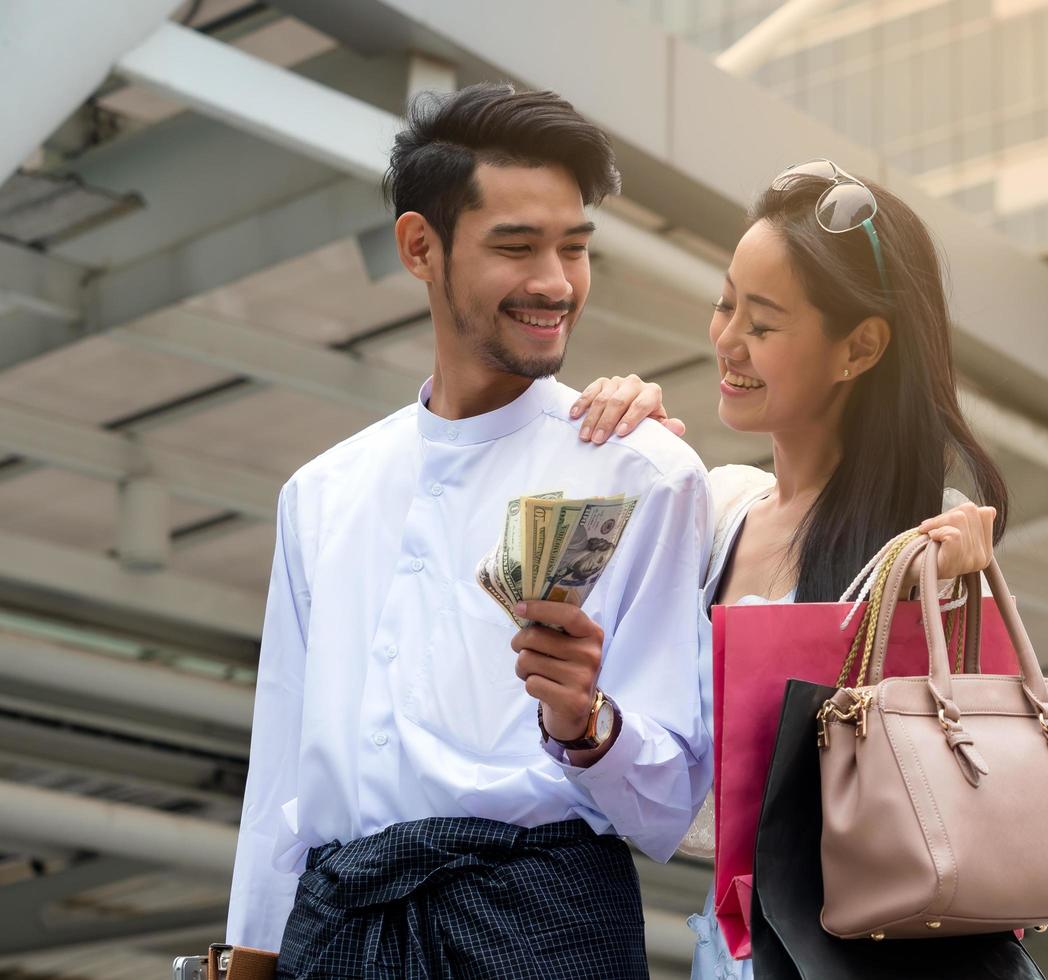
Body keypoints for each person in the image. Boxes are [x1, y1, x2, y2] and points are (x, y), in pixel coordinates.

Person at [226, 83, 713, 979]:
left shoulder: (641, 472)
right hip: (336, 935)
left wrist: (585, 725)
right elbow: (280, 773)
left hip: (542, 926)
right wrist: (248, 958)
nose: (556, 283)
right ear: (421, 246)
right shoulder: (323, 491)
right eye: (516, 247)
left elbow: (670, 804)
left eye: (574, 247)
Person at [570, 161, 1043, 979]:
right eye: (724, 304)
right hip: (741, 944)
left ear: (858, 348)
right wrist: (618, 454)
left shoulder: (916, 545)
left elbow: (970, 778)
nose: (725, 340)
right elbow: (642, 748)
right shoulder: (714, 508)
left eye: (762, 323)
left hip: (868, 951)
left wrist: (959, 591)